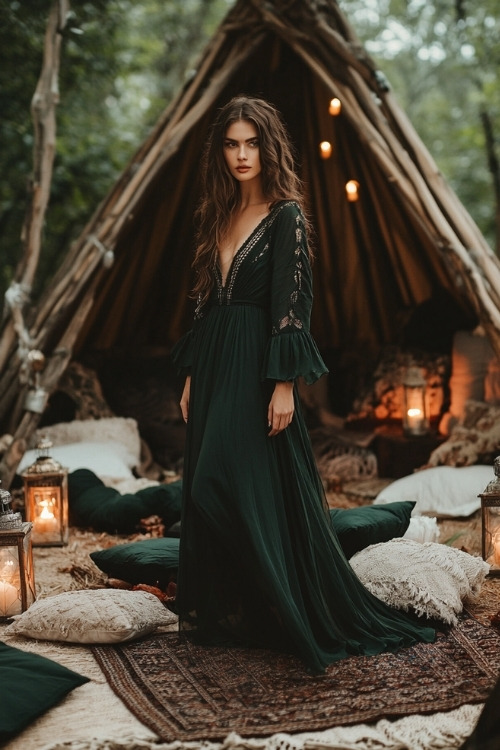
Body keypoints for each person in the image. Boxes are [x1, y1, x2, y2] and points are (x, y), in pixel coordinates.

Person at [172, 95, 435, 674]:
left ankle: (283, 605)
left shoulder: (286, 214)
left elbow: (293, 306)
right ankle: (242, 609)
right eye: (232, 144)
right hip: (215, 362)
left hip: (255, 366)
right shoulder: (215, 214)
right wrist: (192, 374)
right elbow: (204, 300)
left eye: (252, 143)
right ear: (221, 150)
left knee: (232, 479)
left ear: (269, 148)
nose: (242, 155)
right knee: (204, 485)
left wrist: (285, 382)